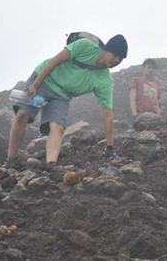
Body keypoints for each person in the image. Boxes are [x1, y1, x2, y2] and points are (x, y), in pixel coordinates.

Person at [7, 34, 128, 166]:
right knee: (23, 114)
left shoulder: (104, 80)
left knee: (57, 127)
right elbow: (55, 60)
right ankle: (12, 159)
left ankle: (51, 164)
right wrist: (35, 84)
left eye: (121, 58)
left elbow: (107, 114)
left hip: (62, 95)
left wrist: (110, 147)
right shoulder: (85, 46)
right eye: (115, 55)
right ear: (106, 49)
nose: (116, 60)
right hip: (44, 79)